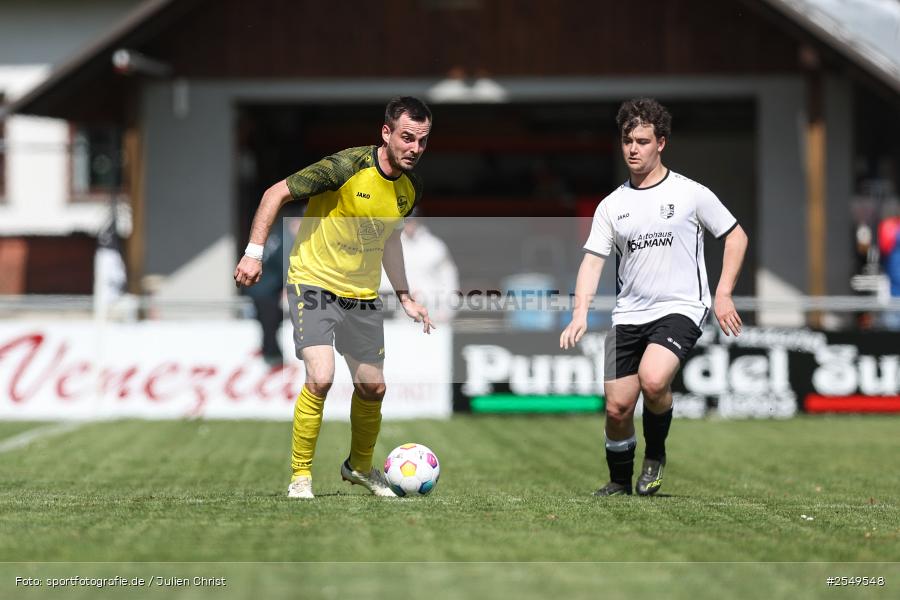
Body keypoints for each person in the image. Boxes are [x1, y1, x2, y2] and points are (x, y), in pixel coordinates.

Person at [234, 96, 434, 499]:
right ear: (386, 133)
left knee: (373, 388)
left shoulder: (409, 189)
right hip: (314, 283)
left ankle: (358, 467)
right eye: (407, 138)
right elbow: (275, 193)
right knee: (321, 376)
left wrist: (405, 296)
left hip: (362, 294)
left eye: (422, 141)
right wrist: (253, 253)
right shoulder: (346, 167)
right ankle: (300, 476)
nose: (415, 148)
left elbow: (390, 240)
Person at [560, 98, 748, 497]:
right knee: (617, 408)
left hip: (680, 307)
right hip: (628, 314)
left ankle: (655, 456)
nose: (633, 149)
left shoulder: (690, 193)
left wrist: (723, 293)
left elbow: (736, 236)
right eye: (627, 141)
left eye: (642, 141)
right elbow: (592, 262)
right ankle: (619, 481)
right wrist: (579, 313)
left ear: (660, 143)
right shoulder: (612, 205)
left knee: (653, 378)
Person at [378, 209, 459, 323]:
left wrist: (447, 310)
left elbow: (449, 279)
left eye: (412, 220)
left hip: (432, 314)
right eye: (405, 221)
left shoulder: (435, 246)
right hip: (399, 316)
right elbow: (382, 280)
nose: (409, 224)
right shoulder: (388, 245)